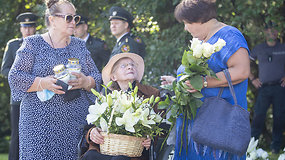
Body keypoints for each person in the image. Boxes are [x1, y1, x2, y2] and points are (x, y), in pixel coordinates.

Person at [8, 0, 101, 159]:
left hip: (75, 125)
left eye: (75, 18)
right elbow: (15, 76)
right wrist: (43, 83)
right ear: (52, 20)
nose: (74, 23)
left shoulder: (79, 45)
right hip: (39, 125)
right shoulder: (33, 43)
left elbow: (97, 76)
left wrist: (86, 81)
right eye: (68, 18)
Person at [161, 0, 250, 159]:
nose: (185, 28)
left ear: (200, 19)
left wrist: (203, 82)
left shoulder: (229, 35)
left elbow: (241, 71)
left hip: (215, 127)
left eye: (187, 23)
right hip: (194, 127)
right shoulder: (204, 41)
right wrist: (178, 82)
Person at [81, 53, 159, 160]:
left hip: (134, 152)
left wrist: (150, 138)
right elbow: (91, 125)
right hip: (107, 149)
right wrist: (92, 133)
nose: (130, 67)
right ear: (113, 77)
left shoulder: (151, 94)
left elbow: (160, 128)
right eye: (123, 66)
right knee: (90, 156)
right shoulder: (106, 97)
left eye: (132, 65)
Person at [0, 12, 37, 160]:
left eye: (30, 27)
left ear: (35, 28)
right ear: (21, 28)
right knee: (17, 134)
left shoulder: (39, 43)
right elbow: (5, 69)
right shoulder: (13, 44)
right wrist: (23, 78)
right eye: (25, 27)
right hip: (18, 97)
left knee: (35, 132)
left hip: (37, 96)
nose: (27, 30)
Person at [250, 23, 285, 154]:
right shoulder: (259, 48)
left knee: (279, 117)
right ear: (265, 32)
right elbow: (245, 62)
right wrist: (252, 78)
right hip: (264, 88)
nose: (273, 32)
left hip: (280, 88)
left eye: (276, 30)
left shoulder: (283, 47)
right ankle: (252, 147)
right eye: (270, 30)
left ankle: (276, 148)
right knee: (258, 116)